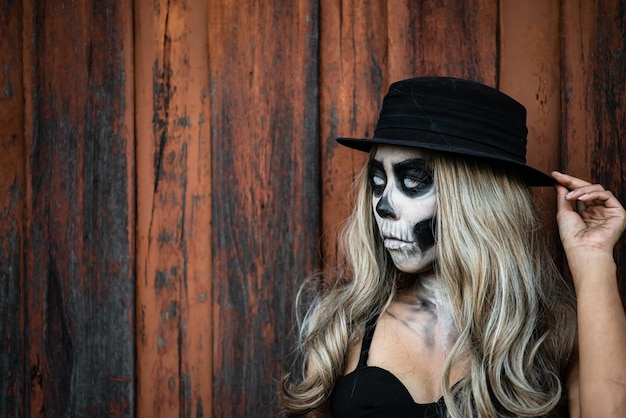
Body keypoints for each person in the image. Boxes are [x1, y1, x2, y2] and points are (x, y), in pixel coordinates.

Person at [279, 77, 626, 417]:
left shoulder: (554, 333)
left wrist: (593, 258)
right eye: (377, 181)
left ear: (477, 199)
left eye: (412, 180)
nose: (382, 206)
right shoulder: (345, 326)